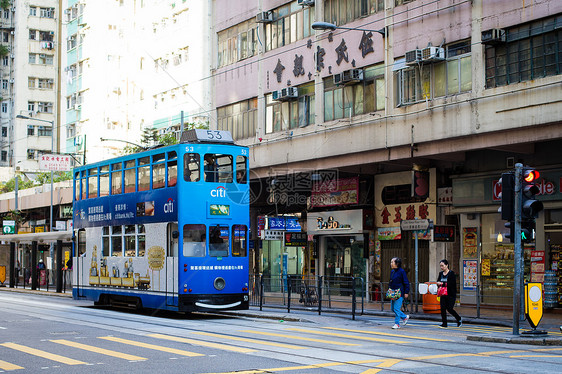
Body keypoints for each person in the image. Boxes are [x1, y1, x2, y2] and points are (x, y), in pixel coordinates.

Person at [436, 259, 462, 328]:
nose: (441, 267)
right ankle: (444, 323)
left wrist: (442, 283)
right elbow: (438, 281)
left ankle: (458, 318)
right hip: (443, 294)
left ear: (447, 265)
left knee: (449, 308)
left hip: (450, 294)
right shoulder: (440, 274)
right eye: (440, 266)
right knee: (443, 308)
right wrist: (438, 284)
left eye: (442, 265)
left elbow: (451, 284)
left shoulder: (451, 274)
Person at [389, 257, 410, 329]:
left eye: (392, 262)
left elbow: (406, 282)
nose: (391, 264)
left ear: (397, 263)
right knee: (393, 308)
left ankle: (397, 324)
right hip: (393, 292)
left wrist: (406, 292)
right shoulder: (392, 271)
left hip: (400, 292)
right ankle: (404, 317)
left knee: (397, 308)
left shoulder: (402, 272)